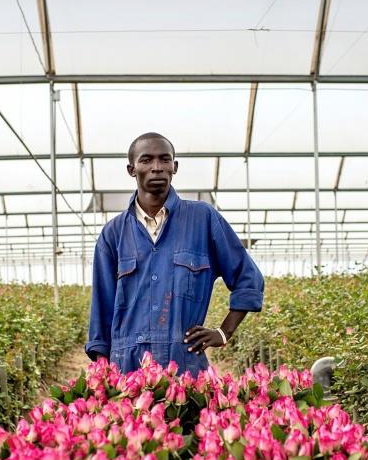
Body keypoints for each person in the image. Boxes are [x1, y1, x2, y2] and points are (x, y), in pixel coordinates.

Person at [85, 132, 265, 376]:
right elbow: (102, 309)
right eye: (146, 160)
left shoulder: (203, 219)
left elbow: (248, 278)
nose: (157, 168)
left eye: (165, 160)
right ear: (131, 169)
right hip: (127, 371)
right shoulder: (113, 234)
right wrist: (103, 375)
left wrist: (224, 332)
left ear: (174, 167)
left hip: (185, 368)